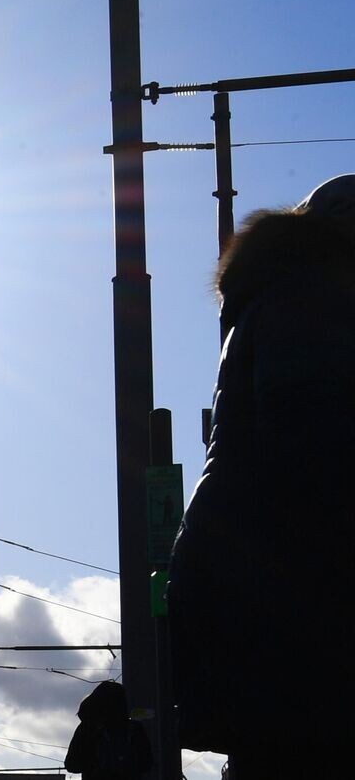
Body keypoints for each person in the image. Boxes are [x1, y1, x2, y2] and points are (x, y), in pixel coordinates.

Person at [167, 174, 355, 777]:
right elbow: (316, 455)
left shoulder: (276, 298)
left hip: (249, 585)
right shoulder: (316, 300)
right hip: (290, 591)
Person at [64, 680, 151, 780]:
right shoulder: (135, 729)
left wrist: (95, 766)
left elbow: (72, 764)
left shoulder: (87, 728)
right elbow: (146, 764)